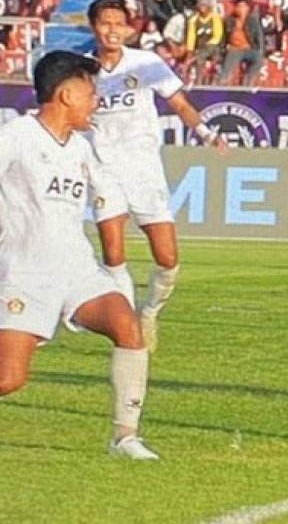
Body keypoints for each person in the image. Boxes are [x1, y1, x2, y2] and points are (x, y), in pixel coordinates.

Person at [0, 50, 157, 459]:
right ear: (66, 94)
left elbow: (107, 205)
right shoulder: (17, 135)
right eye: (90, 92)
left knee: (127, 326)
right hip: (25, 274)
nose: (96, 101)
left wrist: (116, 271)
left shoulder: (82, 149)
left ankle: (125, 437)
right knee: (9, 379)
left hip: (77, 271)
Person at [86, 0, 228, 353]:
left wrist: (207, 133)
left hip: (145, 169)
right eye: (105, 23)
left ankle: (149, 312)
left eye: (119, 23)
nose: (112, 30)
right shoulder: (82, 70)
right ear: (94, 27)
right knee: (113, 251)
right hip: (103, 168)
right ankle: (128, 323)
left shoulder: (147, 63)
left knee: (167, 259)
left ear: (129, 28)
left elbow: (178, 103)